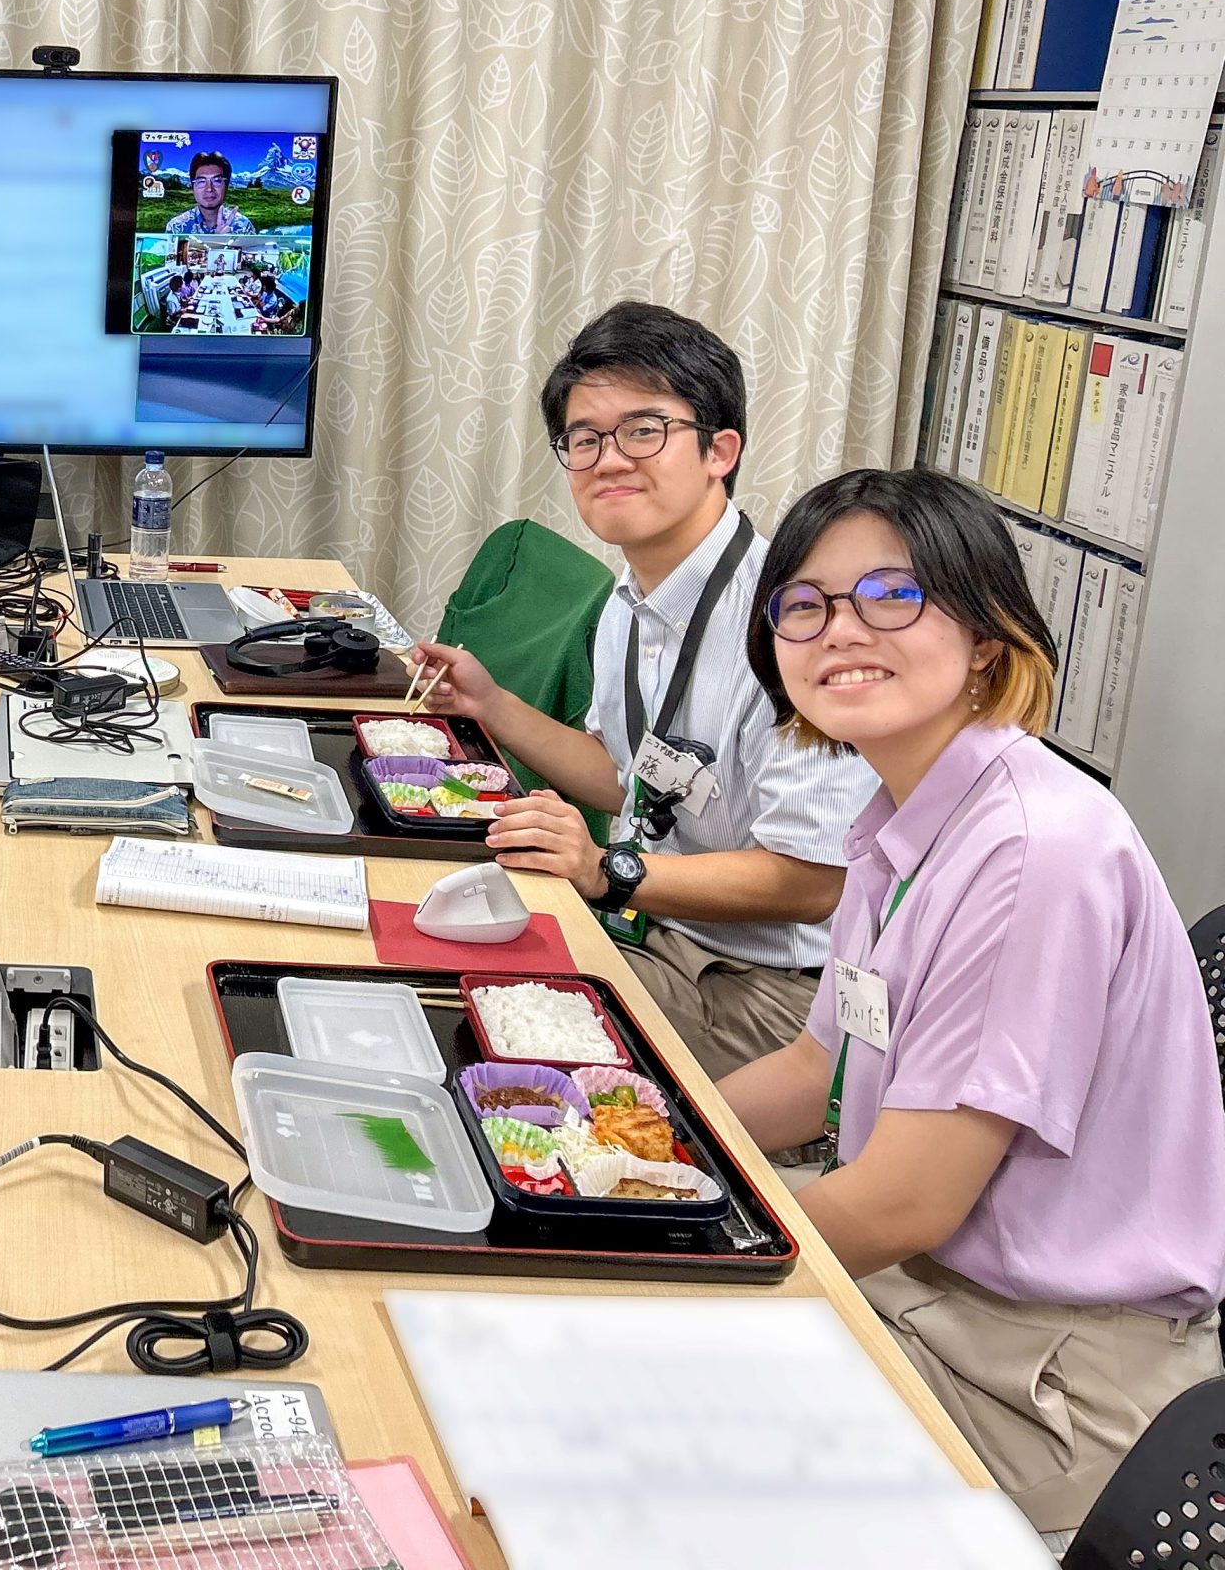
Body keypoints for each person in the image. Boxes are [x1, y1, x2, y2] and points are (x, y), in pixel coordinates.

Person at [719, 467, 1224, 1537]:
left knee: (651, 1451)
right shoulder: (903, 818)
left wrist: (665, 1249)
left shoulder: (1035, 851)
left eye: (891, 596)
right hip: (929, 1297)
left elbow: (905, 1203)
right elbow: (820, 1073)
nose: (840, 630)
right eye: (803, 606)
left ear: (987, 638)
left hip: (1046, 1386)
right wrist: (643, 1157)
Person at [411, 302, 876, 1078]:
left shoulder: (793, 621)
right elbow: (623, 772)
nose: (609, 459)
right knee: (418, 960)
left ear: (719, 450)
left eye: (644, 429)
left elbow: (815, 878)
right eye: (584, 438)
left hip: (770, 995)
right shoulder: (633, 596)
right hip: (655, 929)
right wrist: (490, 705)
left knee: (469, 1049)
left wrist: (610, 869)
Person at [164, 152, 256, 235]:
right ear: (193, 187)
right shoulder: (176, 227)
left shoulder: (243, 226)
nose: (209, 189)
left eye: (217, 181)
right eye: (201, 181)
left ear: (226, 186)